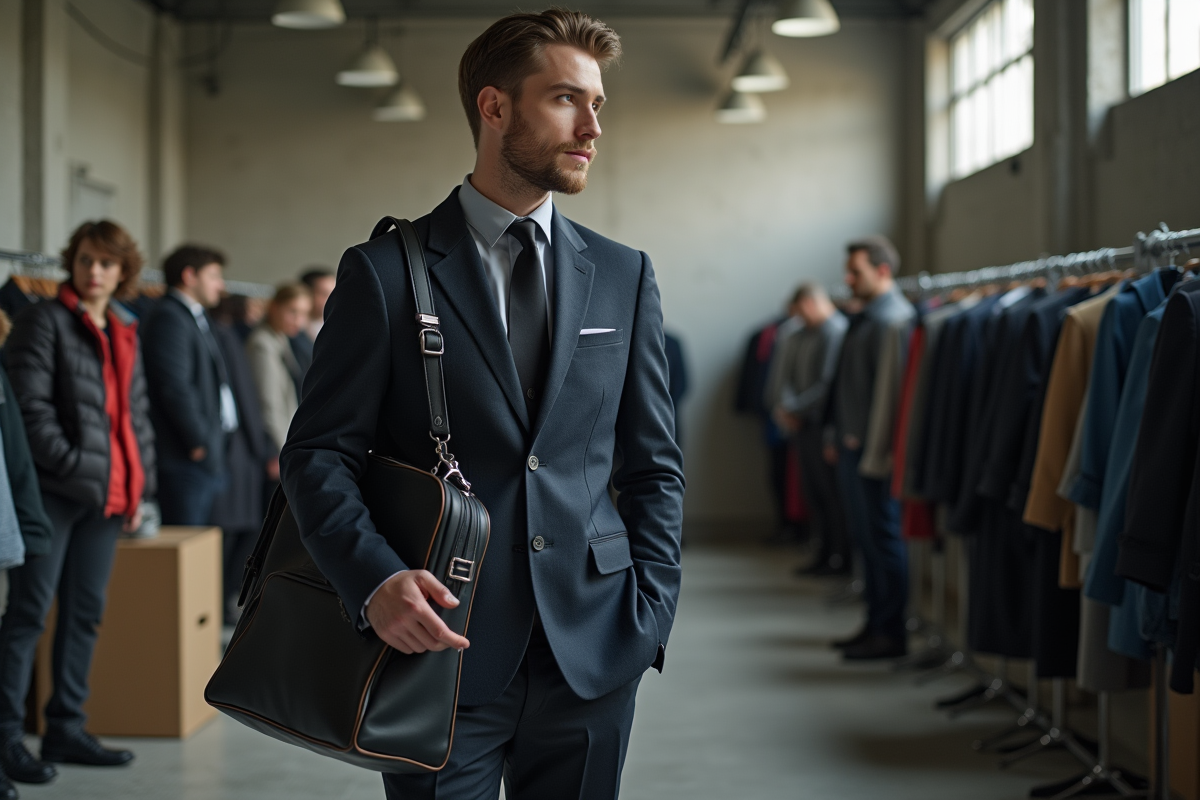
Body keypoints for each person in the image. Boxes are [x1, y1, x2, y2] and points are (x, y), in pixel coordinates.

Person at [280, 10, 684, 799]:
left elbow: (654, 466)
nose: (593, 127)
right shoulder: (384, 273)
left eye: (598, 103)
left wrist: (651, 613)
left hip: (594, 647)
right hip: (435, 646)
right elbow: (319, 454)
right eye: (567, 99)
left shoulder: (623, 274)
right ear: (494, 107)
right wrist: (373, 582)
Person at [0, 220, 156, 786]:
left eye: (106, 263)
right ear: (73, 262)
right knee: (27, 615)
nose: (94, 271)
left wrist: (138, 487)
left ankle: (66, 727)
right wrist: (72, 465)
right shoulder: (43, 319)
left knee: (85, 614)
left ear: (122, 271)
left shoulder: (124, 325)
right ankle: (6, 740)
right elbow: (29, 410)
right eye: (86, 259)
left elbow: (136, 416)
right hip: (53, 494)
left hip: (107, 496)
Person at [826, 235, 916, 660]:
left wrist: (875, 451)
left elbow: (892, 395)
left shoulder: (893, 320)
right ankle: (875, 623)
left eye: (855, 271)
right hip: (854, 447)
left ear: (882, 271)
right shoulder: (867, 317)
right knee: (867, 539)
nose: (847, 279)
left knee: (882, 539)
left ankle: (890, 633)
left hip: (874, 452)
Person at [142, 246, 237, 526]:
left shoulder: (194, 315)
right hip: (185, 456)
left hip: (204, 453)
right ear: (189, 276)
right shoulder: (170, 317)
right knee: (187, 541)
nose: (221, 285)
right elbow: (174, 386)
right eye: (214, 276)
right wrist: (198, 441)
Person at [771, 284, 850, 577]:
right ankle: (824, 554)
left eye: (800, 312)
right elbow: (789, 376)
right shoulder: (806, 333)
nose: (798, 319)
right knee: (814, 494)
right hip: (804, 425)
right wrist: (787, 409)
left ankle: (839, 559)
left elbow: (827, 384)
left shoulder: (835, 331)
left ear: (809, 303)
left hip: (823, 427)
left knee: (831, 497)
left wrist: (794, 409)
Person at [209, 315, 271, 626]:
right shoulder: (255, 342)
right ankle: (218, 603)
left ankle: (225, 601)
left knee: (244, 531)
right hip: (234, 448)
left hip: (243, 448)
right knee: (227, 535)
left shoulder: (227, 334)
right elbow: (261, 400)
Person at [246, 283, 311, 504]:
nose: (298, 320)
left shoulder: (280, 338)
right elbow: (268, 402)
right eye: (293, 311)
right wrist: (281, 450)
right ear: (274, 307)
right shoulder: (262, 343)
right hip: (273, 446)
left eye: (304, 314)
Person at [288, 268, 335, 386]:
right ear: (306, 293)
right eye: (324, 293)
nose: (332, 299)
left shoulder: (335, 329)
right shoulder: (290, 331)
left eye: (334, 293)